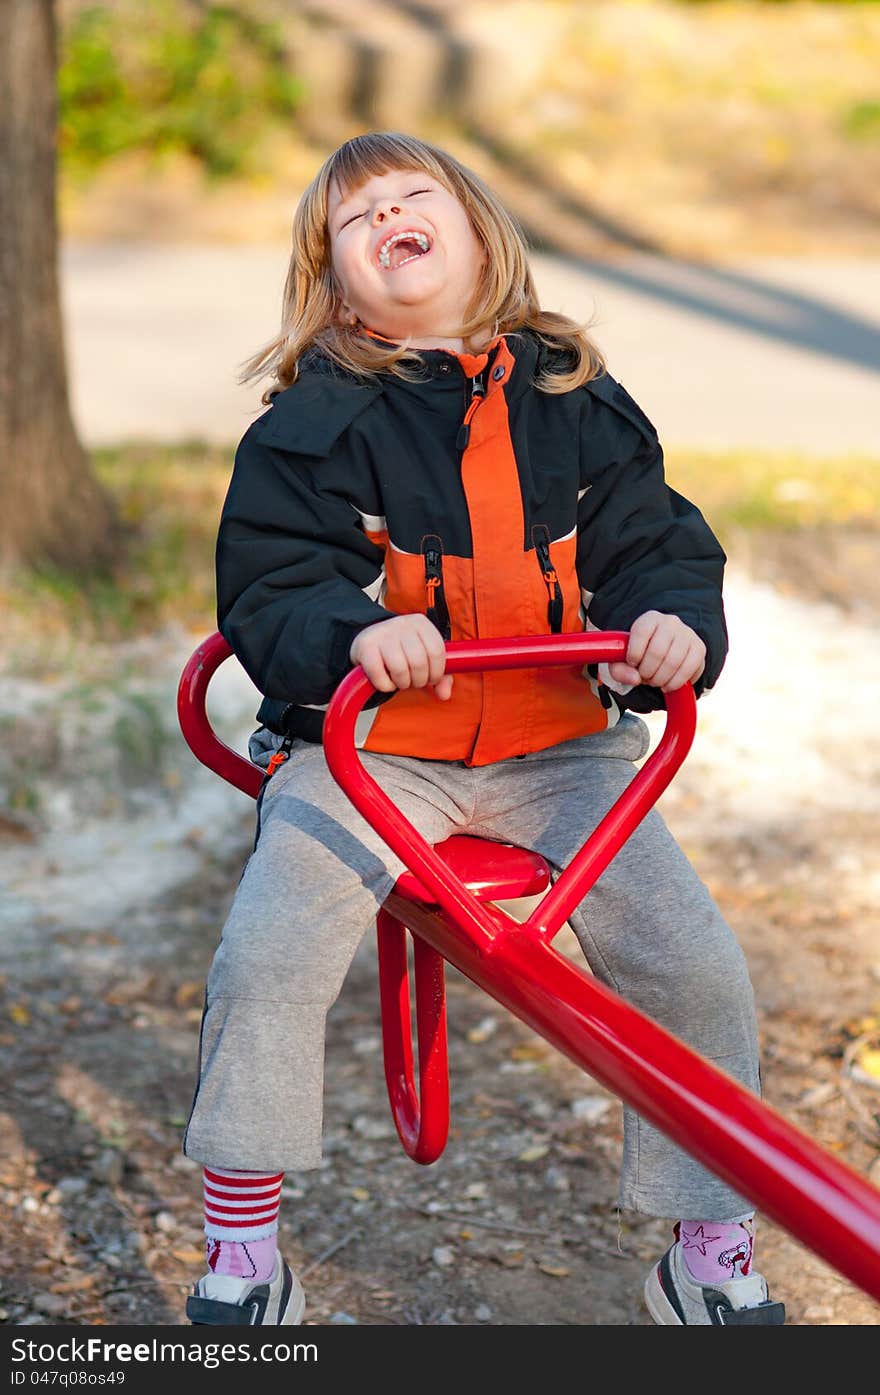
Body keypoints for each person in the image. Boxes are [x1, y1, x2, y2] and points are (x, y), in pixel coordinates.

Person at [182, 131, 784, 1328]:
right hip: (370, 753)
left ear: (478, 235)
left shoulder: (579, 401)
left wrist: (668, 625)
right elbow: (268, 581)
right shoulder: (314, 425)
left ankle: (708, 1245)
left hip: (563, 745)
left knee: (693, 964)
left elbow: (654, 544)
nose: (390, 219)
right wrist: (354, 635)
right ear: (334, 279)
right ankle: (242, 1248)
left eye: (416, 199)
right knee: (267, 956)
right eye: (359, 220)